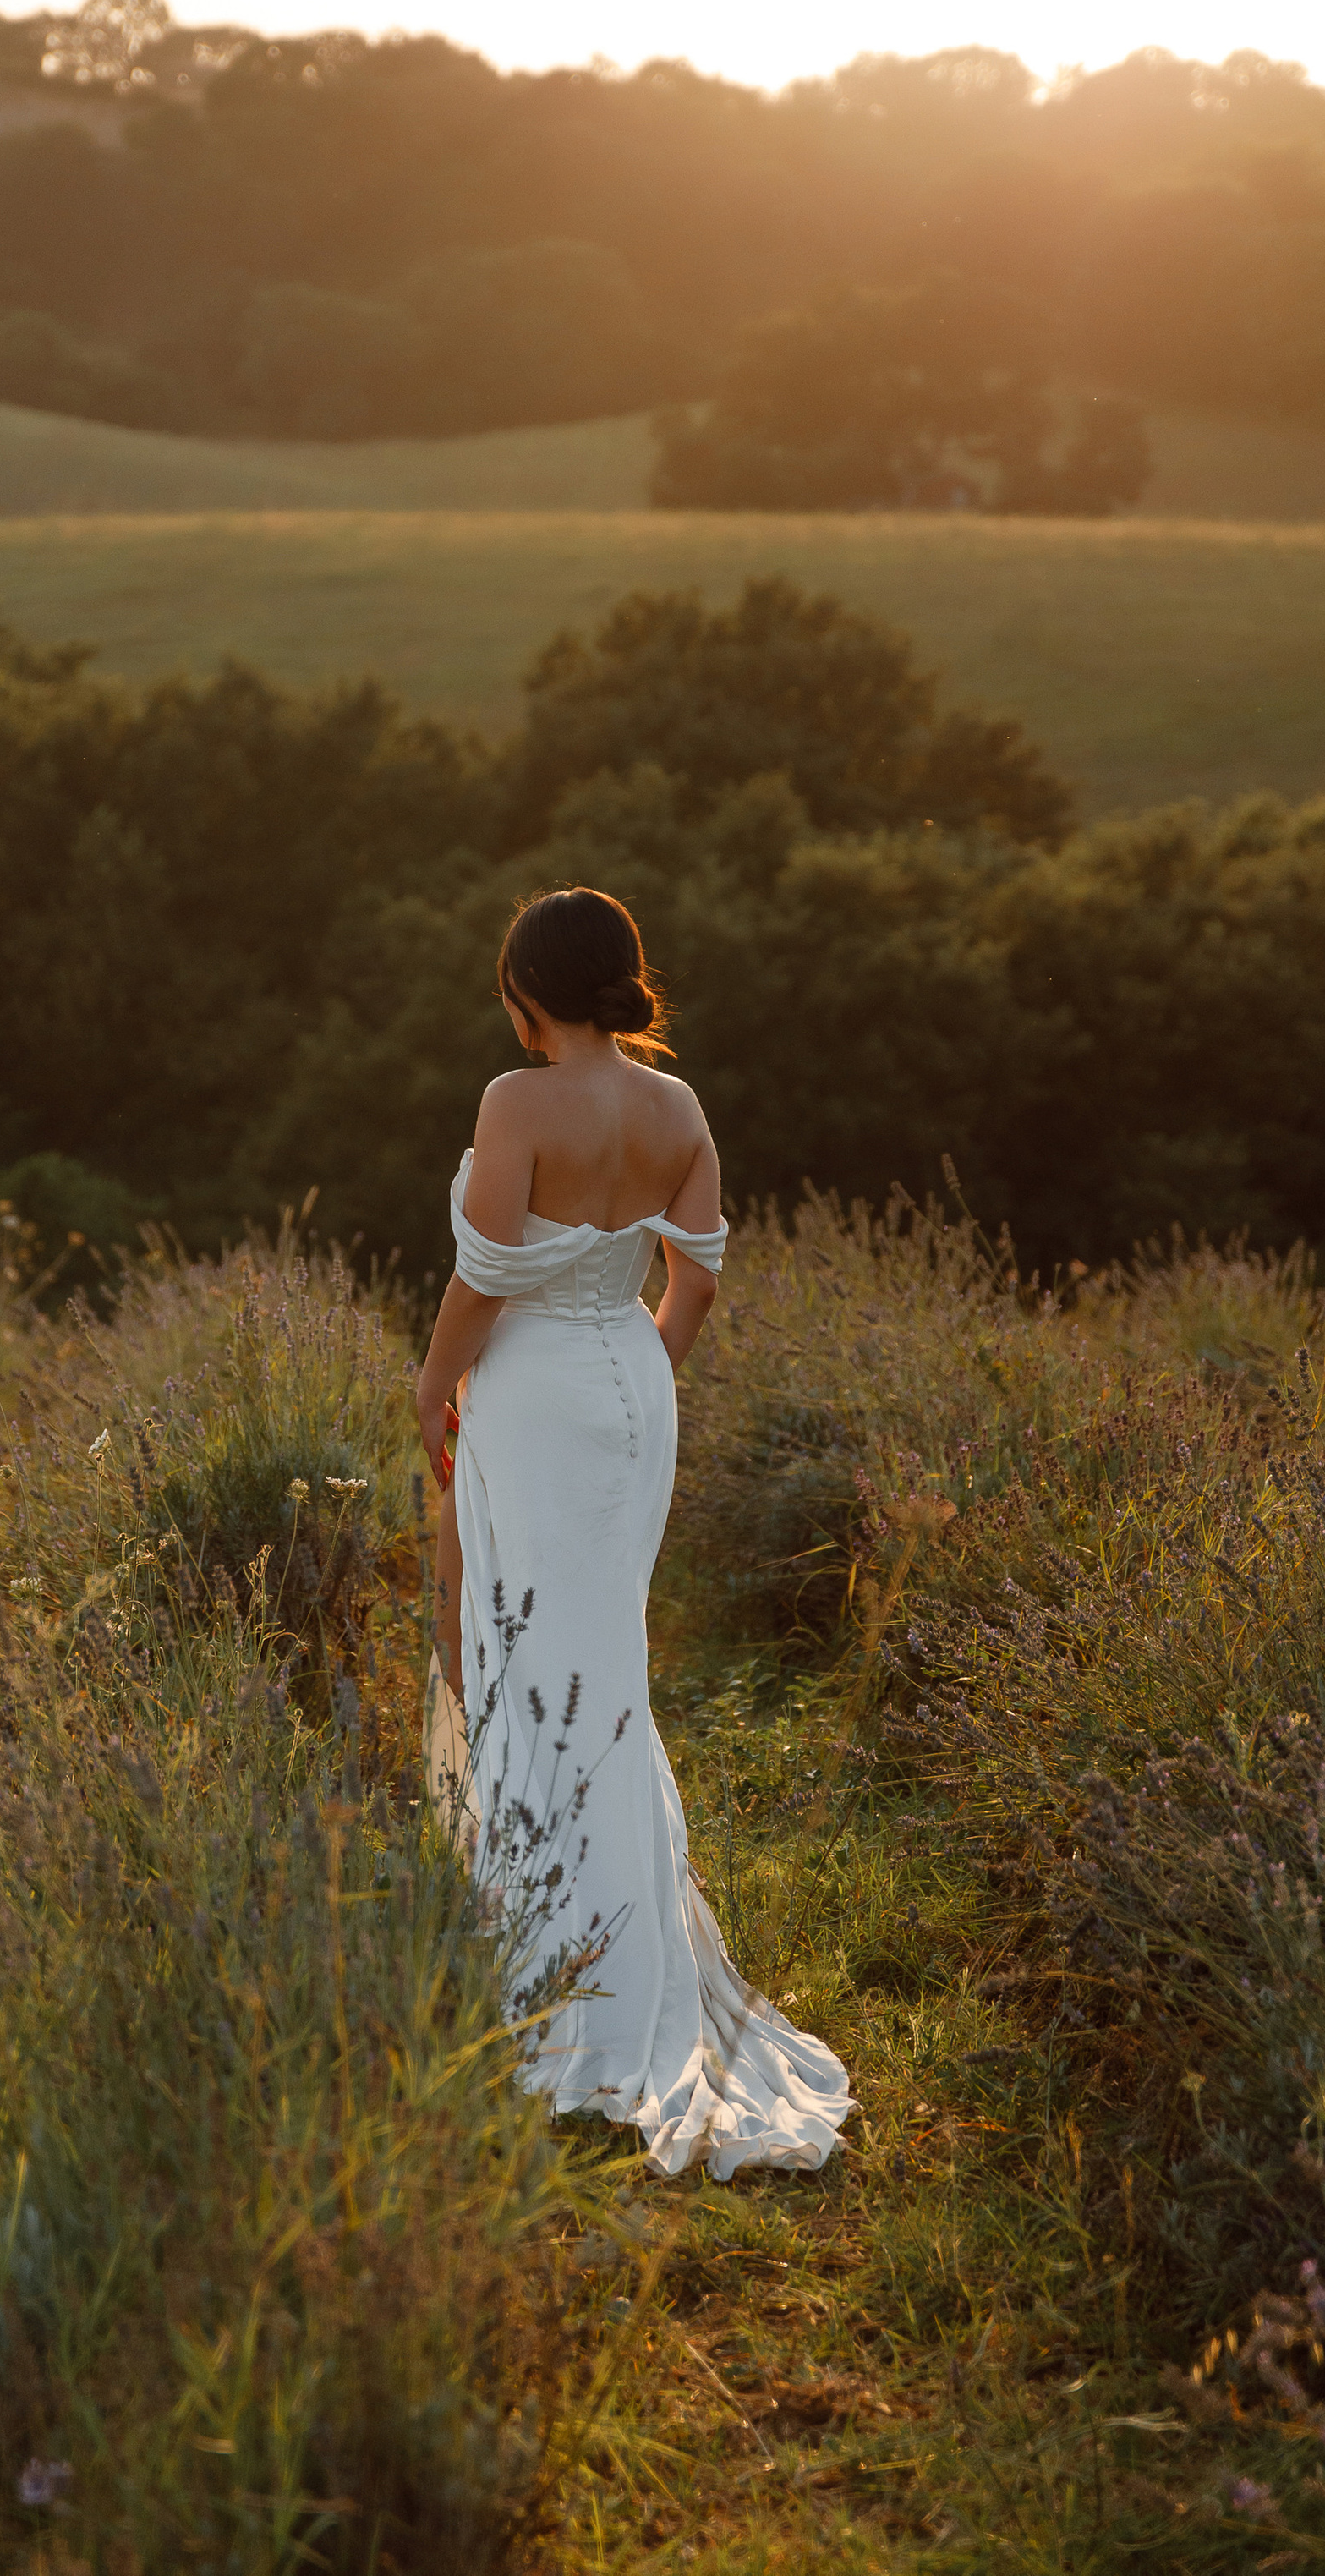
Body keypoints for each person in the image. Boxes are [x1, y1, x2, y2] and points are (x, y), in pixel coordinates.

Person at [417, 885, 851, 2179]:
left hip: (536, 1393)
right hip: (628, 1393)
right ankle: (598, 1946)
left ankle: (564, 1976)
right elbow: (700, 1270)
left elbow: (489, 1272)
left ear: (522, 990)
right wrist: (637, 1369)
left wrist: (434, 1383)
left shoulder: (515, 1100)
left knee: (537, 1667)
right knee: (600, 1667)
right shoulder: (679, 1109)